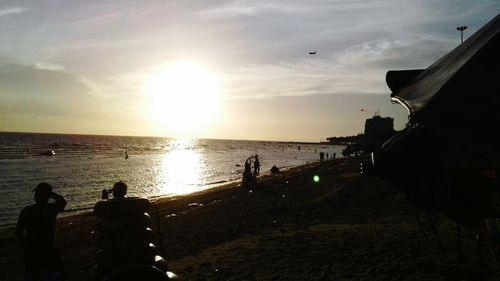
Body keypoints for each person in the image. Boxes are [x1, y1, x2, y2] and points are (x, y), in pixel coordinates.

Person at [16, 182, 67, 281]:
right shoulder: (51, 209)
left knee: (33, 274)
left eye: (37, 194)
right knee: (51, 273)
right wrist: (50, 193)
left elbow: (19, 233)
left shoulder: (28, 211)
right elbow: (62, 201)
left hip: (35, 249)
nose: (35, 196)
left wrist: (27, 247)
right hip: (46, 248)